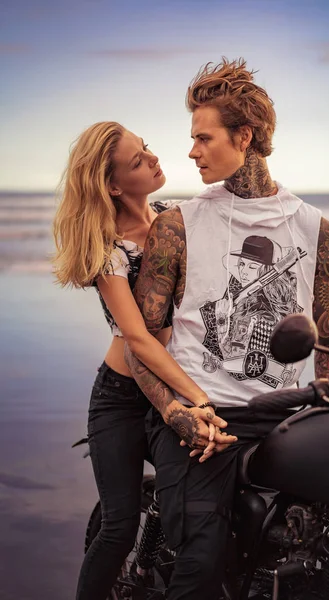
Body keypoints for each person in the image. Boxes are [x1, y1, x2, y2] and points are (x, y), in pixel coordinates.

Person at [125, 58, 329, 600]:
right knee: (201, 560)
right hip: (201, 411)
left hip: (282, 412)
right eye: (192, 138)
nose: (191, 150)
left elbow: (328, 341)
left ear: (244, 136)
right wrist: (175, 413)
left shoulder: (317, 229)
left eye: (203, 138)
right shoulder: (178, 225)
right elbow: (143, 345)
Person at [52, 121, 235, 600]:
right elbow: (138, 337)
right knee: (117, 526)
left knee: (199, 505)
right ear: (112, 184)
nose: (153, 159)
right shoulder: (108, 248)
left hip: (174, 385)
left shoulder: (174, 219)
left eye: (146, 149)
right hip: (121, 398)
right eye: (137, 161)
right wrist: (197, 395)